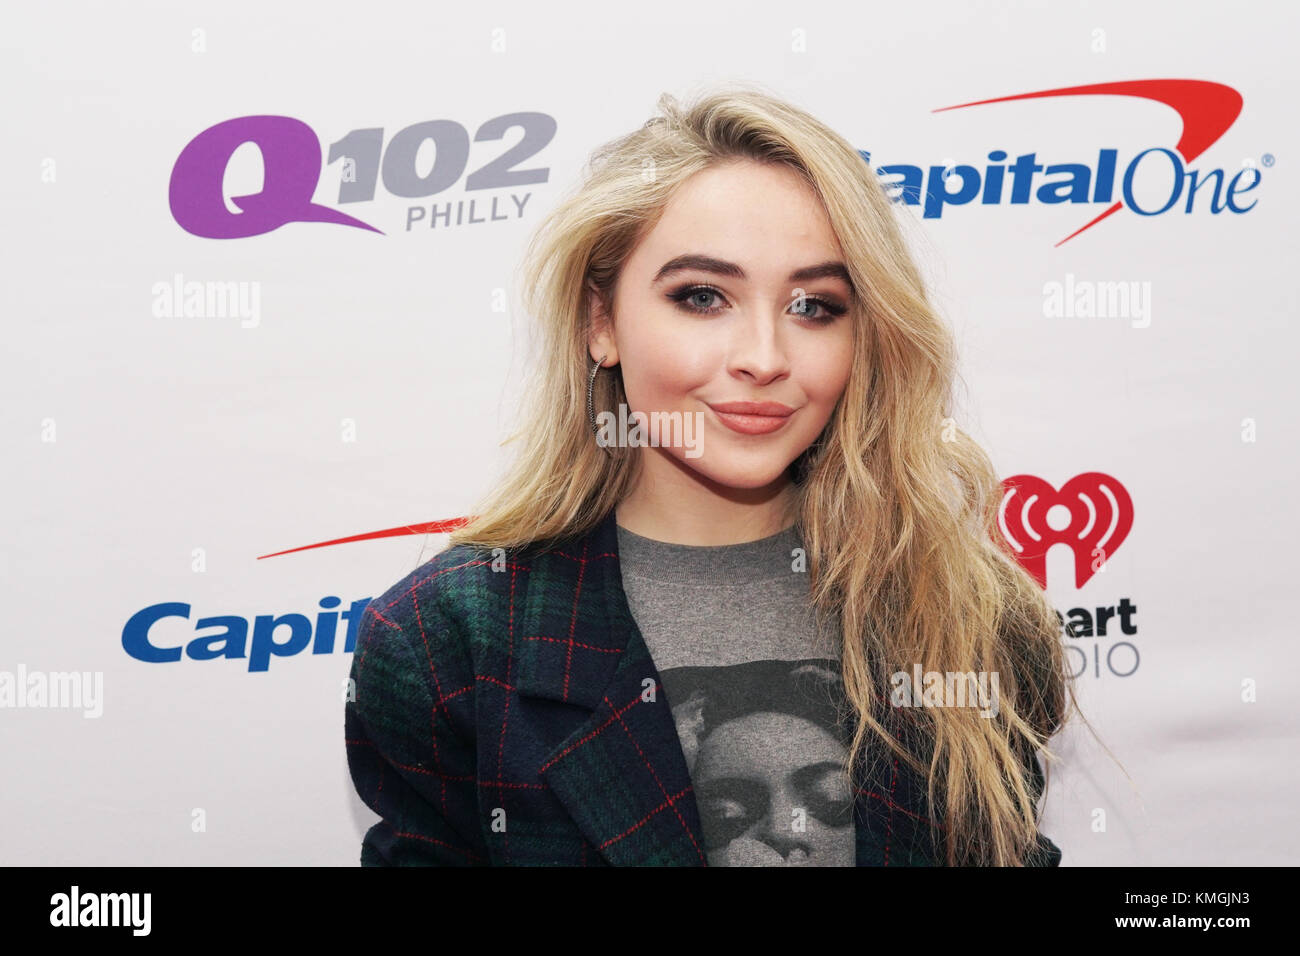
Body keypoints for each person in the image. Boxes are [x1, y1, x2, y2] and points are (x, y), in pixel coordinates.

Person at [344, 83, 1076, 866]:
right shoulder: (447, 641)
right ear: (601, 323)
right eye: (702, 297)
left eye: (815, 305)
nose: (763, 356)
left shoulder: (967, 611)